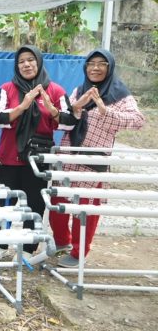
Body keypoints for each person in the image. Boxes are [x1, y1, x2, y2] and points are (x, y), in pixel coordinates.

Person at [52, 48, 145, 268]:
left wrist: (106, 111)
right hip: (68, 155)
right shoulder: (79, 90)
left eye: (101, 63)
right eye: (91, 63)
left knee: (86, 208)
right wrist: (77, 105)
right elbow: (66, 115)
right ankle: (62, 242)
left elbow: (138, 120)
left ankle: (79, 252)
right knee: (59, 201)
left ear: (109, 67)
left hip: (94, 161)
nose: (95, 67)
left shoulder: (119, 94)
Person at [0, 45, 78, 258]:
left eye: (31, 59)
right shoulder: (7, 89)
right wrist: (23, 106)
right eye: (21, 61)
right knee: (4, 203)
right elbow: (0, 120)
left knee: (34, 204)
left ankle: (27, 248)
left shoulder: (55, 90)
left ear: (39, 62)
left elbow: (68, 123)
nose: (26, 64)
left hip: (38, 160)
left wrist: (53, 111)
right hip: (9, 157)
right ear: (17, 65)